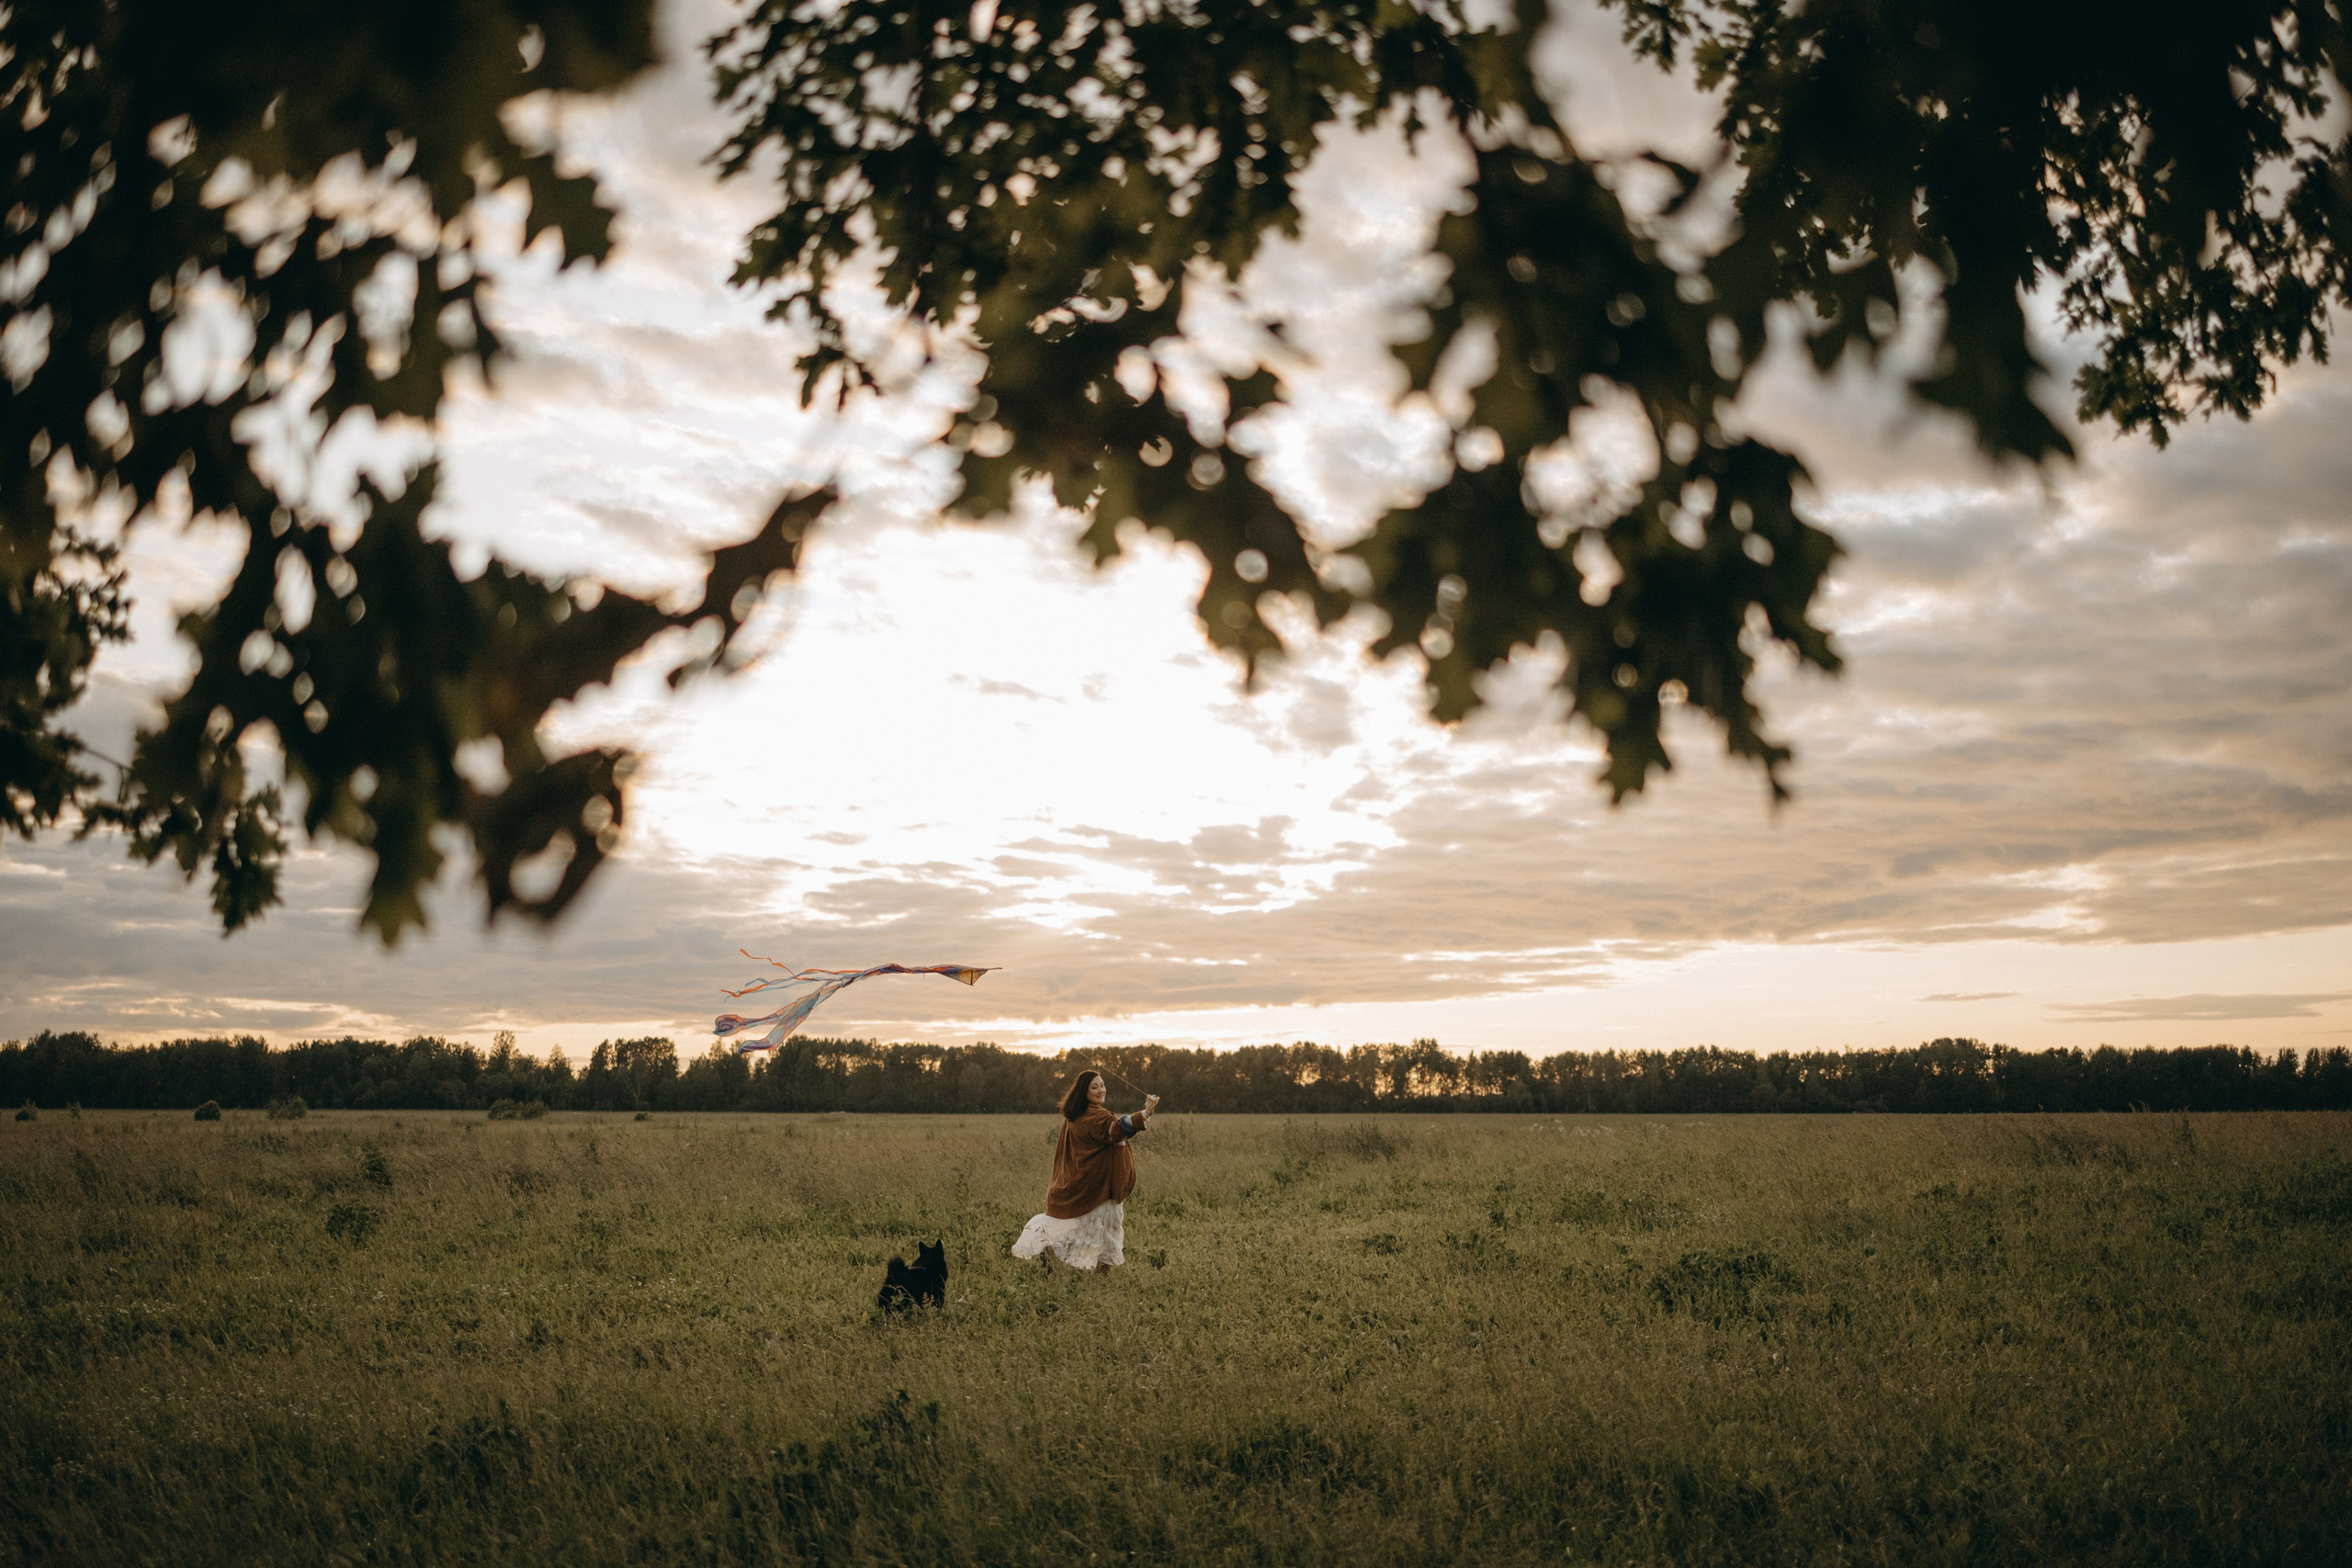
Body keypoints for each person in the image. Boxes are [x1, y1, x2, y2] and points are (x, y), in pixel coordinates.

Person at [1010, 1070, 1159, 1273]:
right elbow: (1115, 1130)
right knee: (1104, 1232)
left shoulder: (1081, 1112)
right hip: (1098, 1188)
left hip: (1094, 1186)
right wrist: (1145, 1113)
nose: (1101, 1090)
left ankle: (1058, 1255)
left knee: (1093, 1230)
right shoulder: (1092, 1115)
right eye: (1094, 1087)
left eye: (1102, 1085)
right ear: (1084, 1092)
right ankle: (1058, 1254)